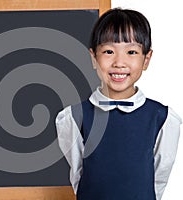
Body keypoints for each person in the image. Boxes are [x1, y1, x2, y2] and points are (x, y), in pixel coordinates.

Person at [55, 8, 181, 200]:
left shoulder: (162, 118)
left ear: (146, 59)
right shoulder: (73, 117)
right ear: (94, 58)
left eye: (131, 52)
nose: (119, 62)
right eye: (108, 51)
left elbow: (158, 180)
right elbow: (78, 177)